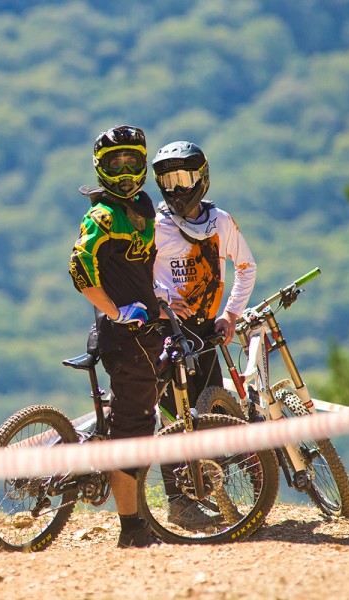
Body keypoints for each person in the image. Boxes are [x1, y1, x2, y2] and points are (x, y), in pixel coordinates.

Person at [151, 140, 258, 528]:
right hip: (166, 332)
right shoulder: (154, 226)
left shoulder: (221, 222)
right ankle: (178, 503)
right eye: (168, 180)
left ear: (202, 178)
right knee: (171, 419)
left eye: (185, 178)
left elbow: (247, 267)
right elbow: (136, 277)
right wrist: (160, 299)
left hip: (206, 331)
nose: (177, 188)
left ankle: (206, 493)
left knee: (208, 413)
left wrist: (231, 314)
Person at [68, 125, 164, 548]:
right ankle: (133, 530)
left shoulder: (143, 204)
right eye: (114, 164)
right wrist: (117, 312)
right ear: (99, 168)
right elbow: (78, 269)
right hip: (124, 337)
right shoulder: (102, 215)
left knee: (136, 416)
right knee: (133, 428)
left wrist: (160, 301)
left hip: (147, 331)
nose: (124, 173)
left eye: (132, 162)